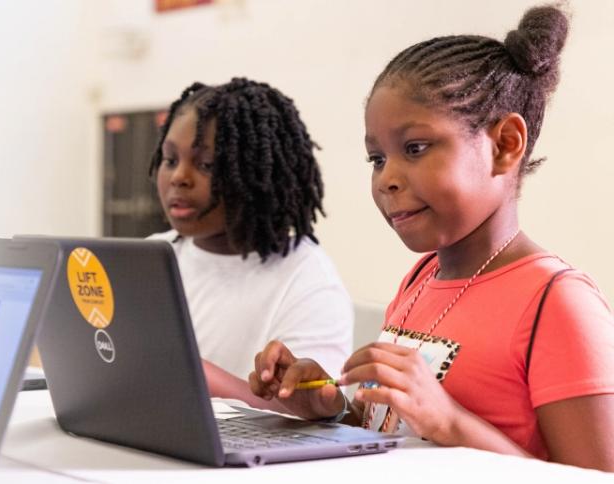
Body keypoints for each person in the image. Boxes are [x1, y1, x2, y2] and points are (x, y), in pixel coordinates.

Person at [249, 5, 614, 471]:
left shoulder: (558, 301)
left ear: (504, 145)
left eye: (415, 149)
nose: (387, 180)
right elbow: (397, 427)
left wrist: (452, 423)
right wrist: (332, 408)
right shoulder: (421, 278)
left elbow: (593, 479)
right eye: (376, 159)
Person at [147, 78, 352, 411]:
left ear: (259, 173)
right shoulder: (153, 255)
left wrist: (200, 377)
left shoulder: (307, 278)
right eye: (170, 160)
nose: (178, 177)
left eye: (206, 165)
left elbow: (312, 417)